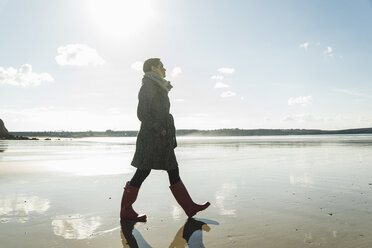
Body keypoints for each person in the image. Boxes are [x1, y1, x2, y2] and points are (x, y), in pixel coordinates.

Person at [120, 58, 210, 222]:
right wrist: (159, 129)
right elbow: (142, 114)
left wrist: (164, 131)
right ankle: (126, 211)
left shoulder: (158, 86)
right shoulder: (148, 86)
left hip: (162, 137)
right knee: (143, 171)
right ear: (154, 68)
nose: (165, 68)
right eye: (162, 66)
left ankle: (189, 207)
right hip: (152, 138)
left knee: (172, 169)